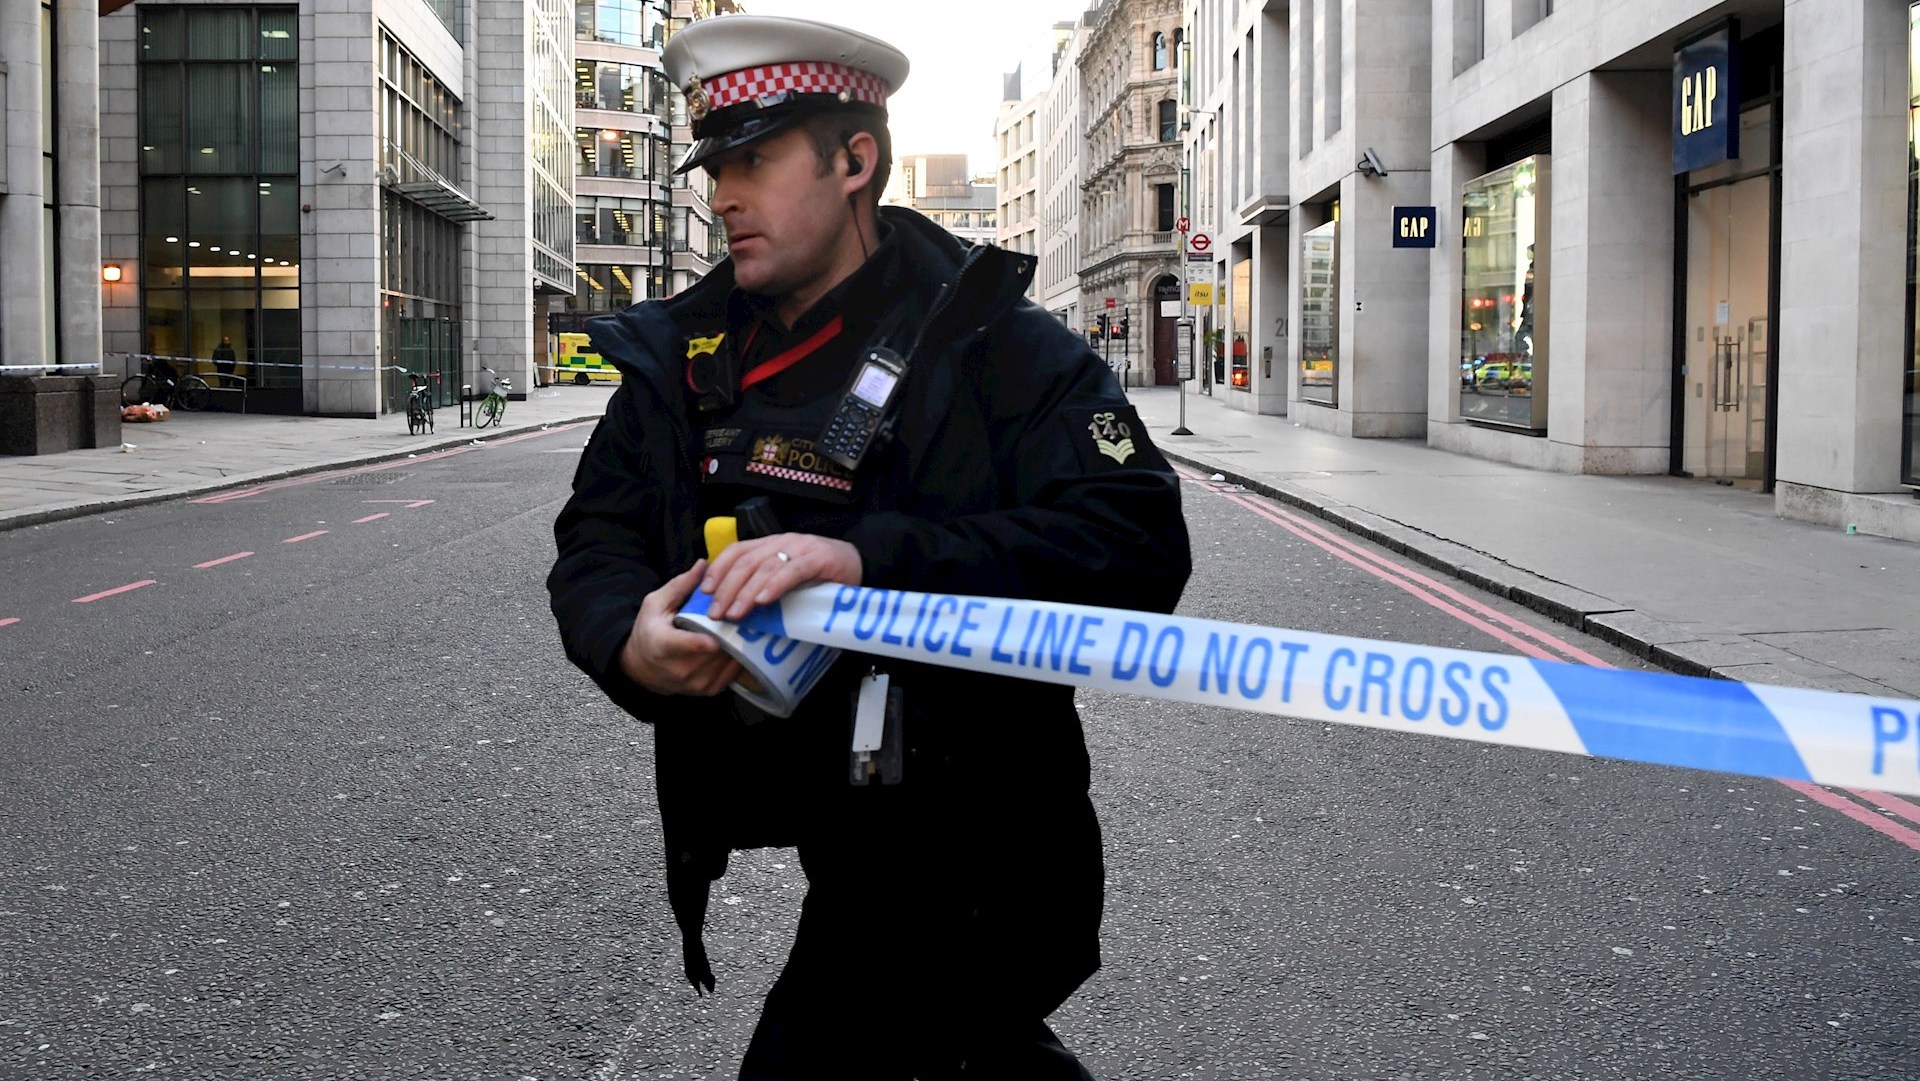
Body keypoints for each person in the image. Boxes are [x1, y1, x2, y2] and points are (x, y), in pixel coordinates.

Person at [547, 14, 1191, 1080]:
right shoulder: (694, 359)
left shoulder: (999, 350)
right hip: (830, 831)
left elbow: (1132, 540)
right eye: (716, 166)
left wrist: (864, 561)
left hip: (982, 846)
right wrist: (627, 636)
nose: (724, 196)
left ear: (856, 161)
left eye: (753, 160)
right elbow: (598, 530)